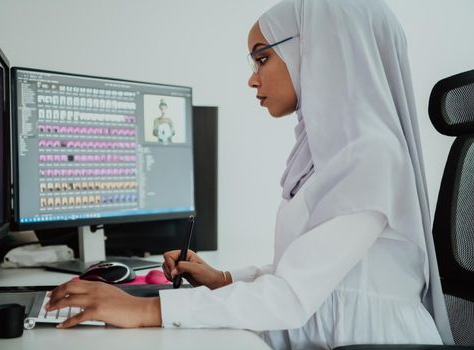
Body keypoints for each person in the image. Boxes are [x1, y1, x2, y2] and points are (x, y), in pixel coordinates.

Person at [46, 0, 454, 348]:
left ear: (320, 51)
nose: (252, 77)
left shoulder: (372, 156)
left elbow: (292, 296)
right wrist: (222, 278)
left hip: (367, 342)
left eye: (262, 57)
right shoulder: (325, 151)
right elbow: (305, 274)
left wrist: (143, 309)